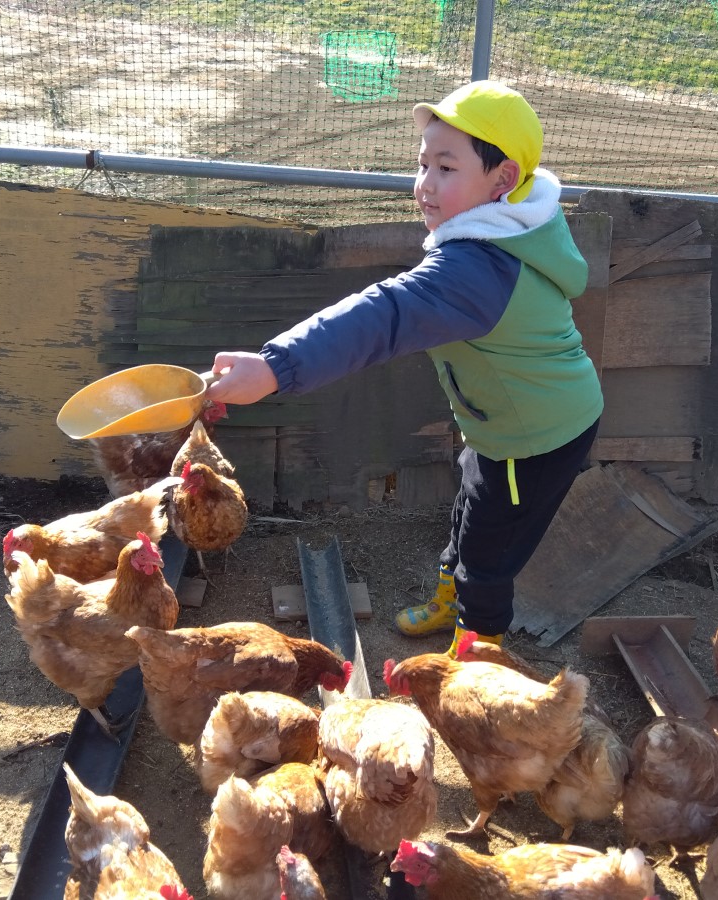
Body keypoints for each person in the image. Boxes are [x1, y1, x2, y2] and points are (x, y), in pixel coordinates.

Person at [205, 80, 603, 657]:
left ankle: (476, 660)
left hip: (537, 438)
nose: (424, 186)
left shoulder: (477, 269)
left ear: (504, 178)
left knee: (489, 556)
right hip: (504, 424)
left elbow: (382, 315)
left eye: (446, 168)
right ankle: (452, 601)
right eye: (422, 165)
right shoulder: (514, 221)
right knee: (469, 508)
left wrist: (275, 367)